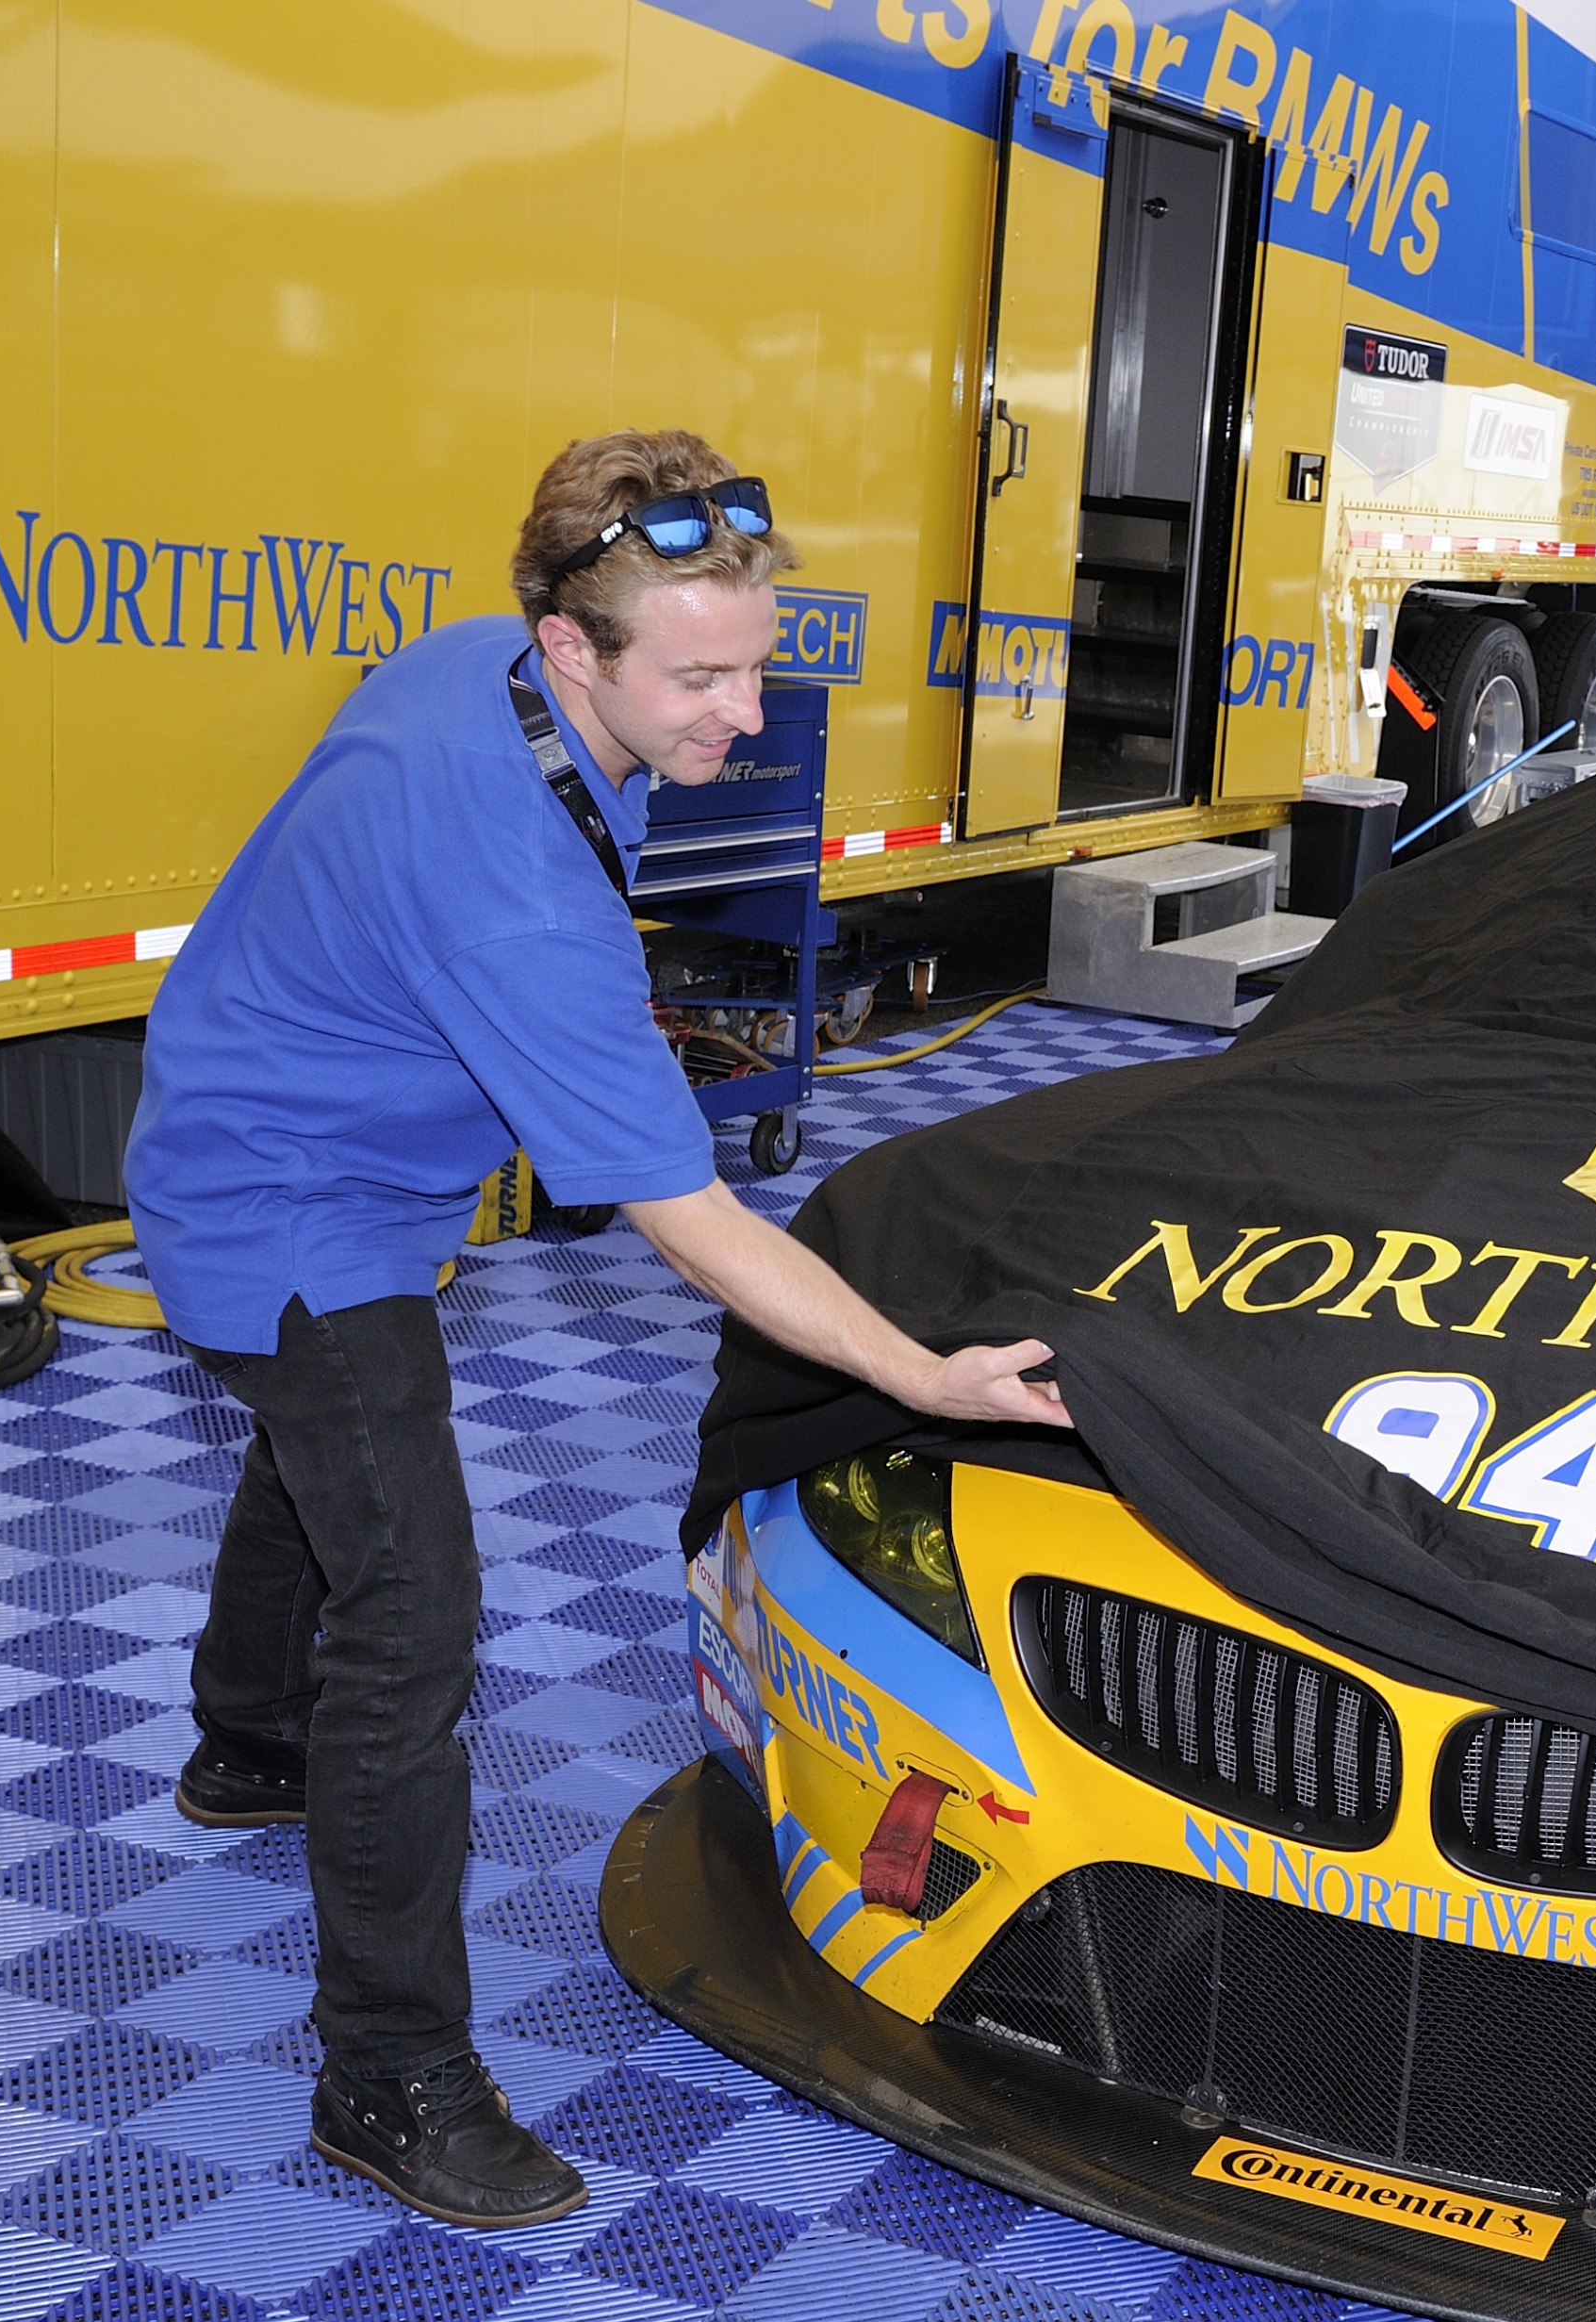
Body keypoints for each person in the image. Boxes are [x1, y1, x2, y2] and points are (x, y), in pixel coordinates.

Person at [123, 431, 1068, 2227]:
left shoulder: (472, 668)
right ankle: (388, 2075)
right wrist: (917, 1368)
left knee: (323, 1444)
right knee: (411, 1609)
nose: (744, 712)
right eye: (700, 679)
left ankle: (246, 1739)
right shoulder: (510, 884)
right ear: (575, 646)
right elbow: (691, 1220)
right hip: (283, 1196)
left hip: (292, 1111)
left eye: (756, 662)